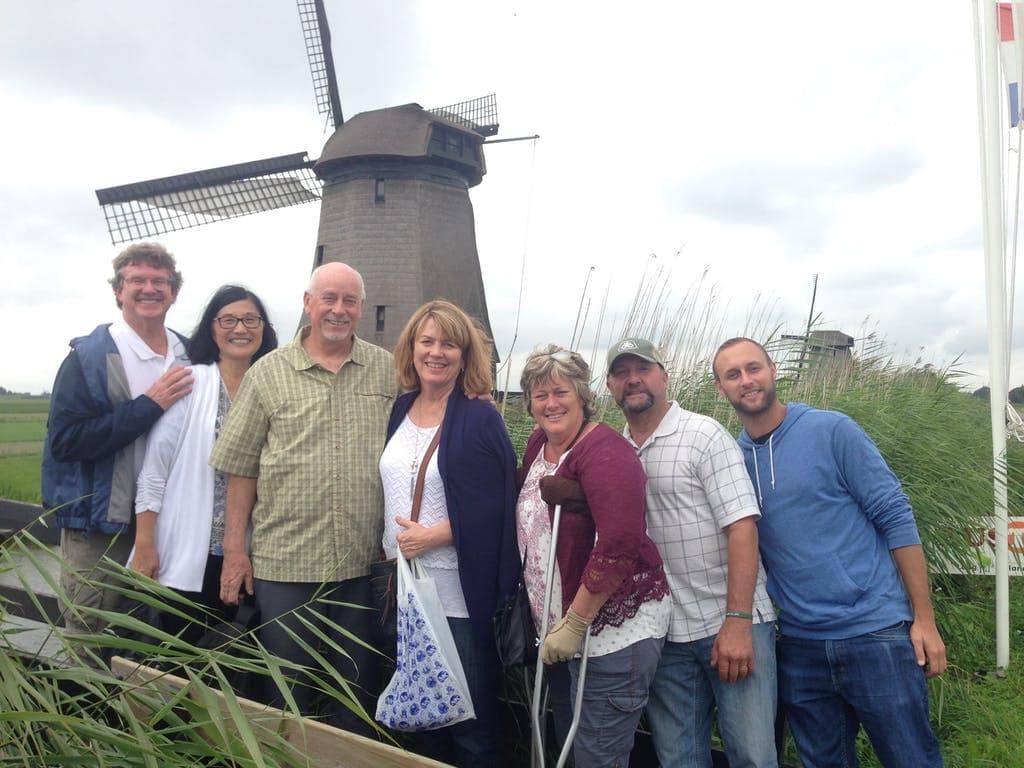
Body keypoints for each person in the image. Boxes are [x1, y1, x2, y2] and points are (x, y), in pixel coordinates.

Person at [712, 337, 946, 768]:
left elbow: (895, 516)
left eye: (753, 368)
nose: (746, 380)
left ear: (773, 370)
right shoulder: (731, 459)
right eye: (733, 374)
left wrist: (924, 619)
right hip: (801, 645)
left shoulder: (832, 430)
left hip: (875, 632)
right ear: (720, 387)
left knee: (911, 757)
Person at [210, 262, 393, 732]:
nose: (338, 309)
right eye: (328, 298)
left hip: (360, 565)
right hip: (285, 566)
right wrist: (235, 551)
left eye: (349, 300)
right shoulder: (268, 373)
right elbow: (241, 468)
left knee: (355, 696)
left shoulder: (387, 370)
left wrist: (473, 394)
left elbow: (430, 412)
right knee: (287, 695)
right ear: (308, 303)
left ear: (362, 307)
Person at [605, 337, 778, 768]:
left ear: (663, 377)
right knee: (679, 758)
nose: (633, 380)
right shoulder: (615, 451)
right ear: (609, 386)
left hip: (728, 620)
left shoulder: (703, 435)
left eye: (642, 369)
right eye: (622, 373)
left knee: (752, 756)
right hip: (664, 632)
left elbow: (742, 527)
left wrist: (737, 621)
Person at [380, 299, 519, 766]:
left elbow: (500, 501)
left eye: (449, 344)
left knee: (471, 726)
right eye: (427, 341)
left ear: (464, 356)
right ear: (412, 348)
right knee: (426, 721)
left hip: (457, 595)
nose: (436, 352)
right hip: (406, 591)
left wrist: (436, 535)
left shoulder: (479, 416)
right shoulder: (402, 408)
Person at [516, 344, 670, 768]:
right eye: (540, 395)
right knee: (568, 747)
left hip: (609, 634)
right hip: (558, 635)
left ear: (582, 396)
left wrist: (575, 623)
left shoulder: (606, 451)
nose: (551, 403)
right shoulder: (538, 444)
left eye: (561, 392)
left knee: (596, 756)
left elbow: (620, 542)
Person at [42, 242, 193, 651]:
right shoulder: (89, 356)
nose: (149, 288)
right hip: (103, 525)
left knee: (158, 638)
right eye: (137, 280)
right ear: (118, 291)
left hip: (172, 523)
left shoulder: (190, 353)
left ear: (174, 292)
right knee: (91, 635)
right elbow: (66, 441)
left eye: (159, 281)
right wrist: (148, 406)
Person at [129, 285, 278, 644]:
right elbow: (155, 469)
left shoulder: (276, 387)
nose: (240, 328)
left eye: (250, 319)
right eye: (228, 320)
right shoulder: (189, 383)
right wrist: (146, 542)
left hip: (250, 550)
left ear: (264, 328)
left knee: (231, 656)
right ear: (212, 328)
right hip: (186, 547)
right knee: (173, 648)